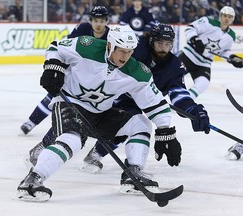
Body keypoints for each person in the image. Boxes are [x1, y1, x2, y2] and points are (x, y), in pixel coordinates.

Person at [17, 25, 182, 201]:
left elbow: (154, 102)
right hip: (70, 103)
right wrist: (53, 67)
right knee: (72, 139)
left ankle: (132, 175)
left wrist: (165, 130)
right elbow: (56, 47)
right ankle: (32, 181)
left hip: (101, 112)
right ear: (110, 45)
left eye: (129, 51)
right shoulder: (87, 46)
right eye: (121, 51)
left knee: (140, 123)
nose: (125, 56)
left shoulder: (137, 71)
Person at [80, 23, 210, 173]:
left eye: (168, 44)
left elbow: (178, 93)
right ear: (151, 41)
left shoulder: (174, 65)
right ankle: (97, 155)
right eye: (160, 43)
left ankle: (129, 164)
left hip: (148, 101)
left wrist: (193, 110)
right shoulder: (137, 49)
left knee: (135, 126)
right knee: (125, 124)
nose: (163, 47)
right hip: (120, 96)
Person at [20, 6, 110, 135]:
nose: (99, 24)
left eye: (102, 21)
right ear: (90, 20)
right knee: (54, 94)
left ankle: (91, 127)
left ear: (107, 21)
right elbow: (65, 46)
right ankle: (31, 122)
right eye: (96, 20)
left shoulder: (111, 36)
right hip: (75, 71)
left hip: (95, 75)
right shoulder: (82, 29)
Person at [178, 6, 243, 99]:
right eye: (225, 16)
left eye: (230, 17)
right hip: (189, 56)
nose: (227, 19)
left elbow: (224, 51)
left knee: (203, 83)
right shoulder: (208, 21)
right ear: (220, 16)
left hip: (204, 63)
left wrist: (233, 58)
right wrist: (195, 40)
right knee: (171, 77)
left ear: (233, 19)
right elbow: (190, 28)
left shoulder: (231, 35)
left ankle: (184, 100)